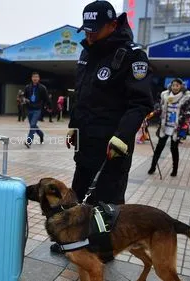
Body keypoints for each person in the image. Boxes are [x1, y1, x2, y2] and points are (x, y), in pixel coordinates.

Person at [57, 1, 153, 255]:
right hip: (86, 141)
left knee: (106, 202)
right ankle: (74, 241)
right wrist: (73, 126)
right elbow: (82, 95)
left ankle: (103, 250)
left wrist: (122, 137)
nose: (89, 35)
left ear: (113, 24)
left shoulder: (132, 55)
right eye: (86, 29)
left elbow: (140, 103)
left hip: (113, 145)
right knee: (78, 196)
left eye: (95, 30)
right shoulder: (88, 52)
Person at [147, 78, 190, 177]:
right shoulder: (165, 96)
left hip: (176, 128)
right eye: (173, 85)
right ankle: (152, 167)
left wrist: (185, 124)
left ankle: (174, 170)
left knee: (174, 149)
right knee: (159, 148)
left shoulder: (186, 97)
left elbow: (189, 112)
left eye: (177, 85)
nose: (175, 87)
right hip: (165, 127)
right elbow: (159, 108)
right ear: (170, 86)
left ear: (181, 86)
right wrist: (151, 114)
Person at [23, 72, 48, 148]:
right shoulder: (27, 87)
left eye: (37, 77)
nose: (35, 78)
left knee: (33, 125)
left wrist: (48, 107)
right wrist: (25, 100)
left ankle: (29, 141)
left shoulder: (42, 88)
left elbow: (46, 98)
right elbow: (24, 96)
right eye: (34, 77)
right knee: (33, 126)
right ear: (31, 78)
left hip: (37, 109)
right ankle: (41, 134)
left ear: (39, 78)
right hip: (29, 109)